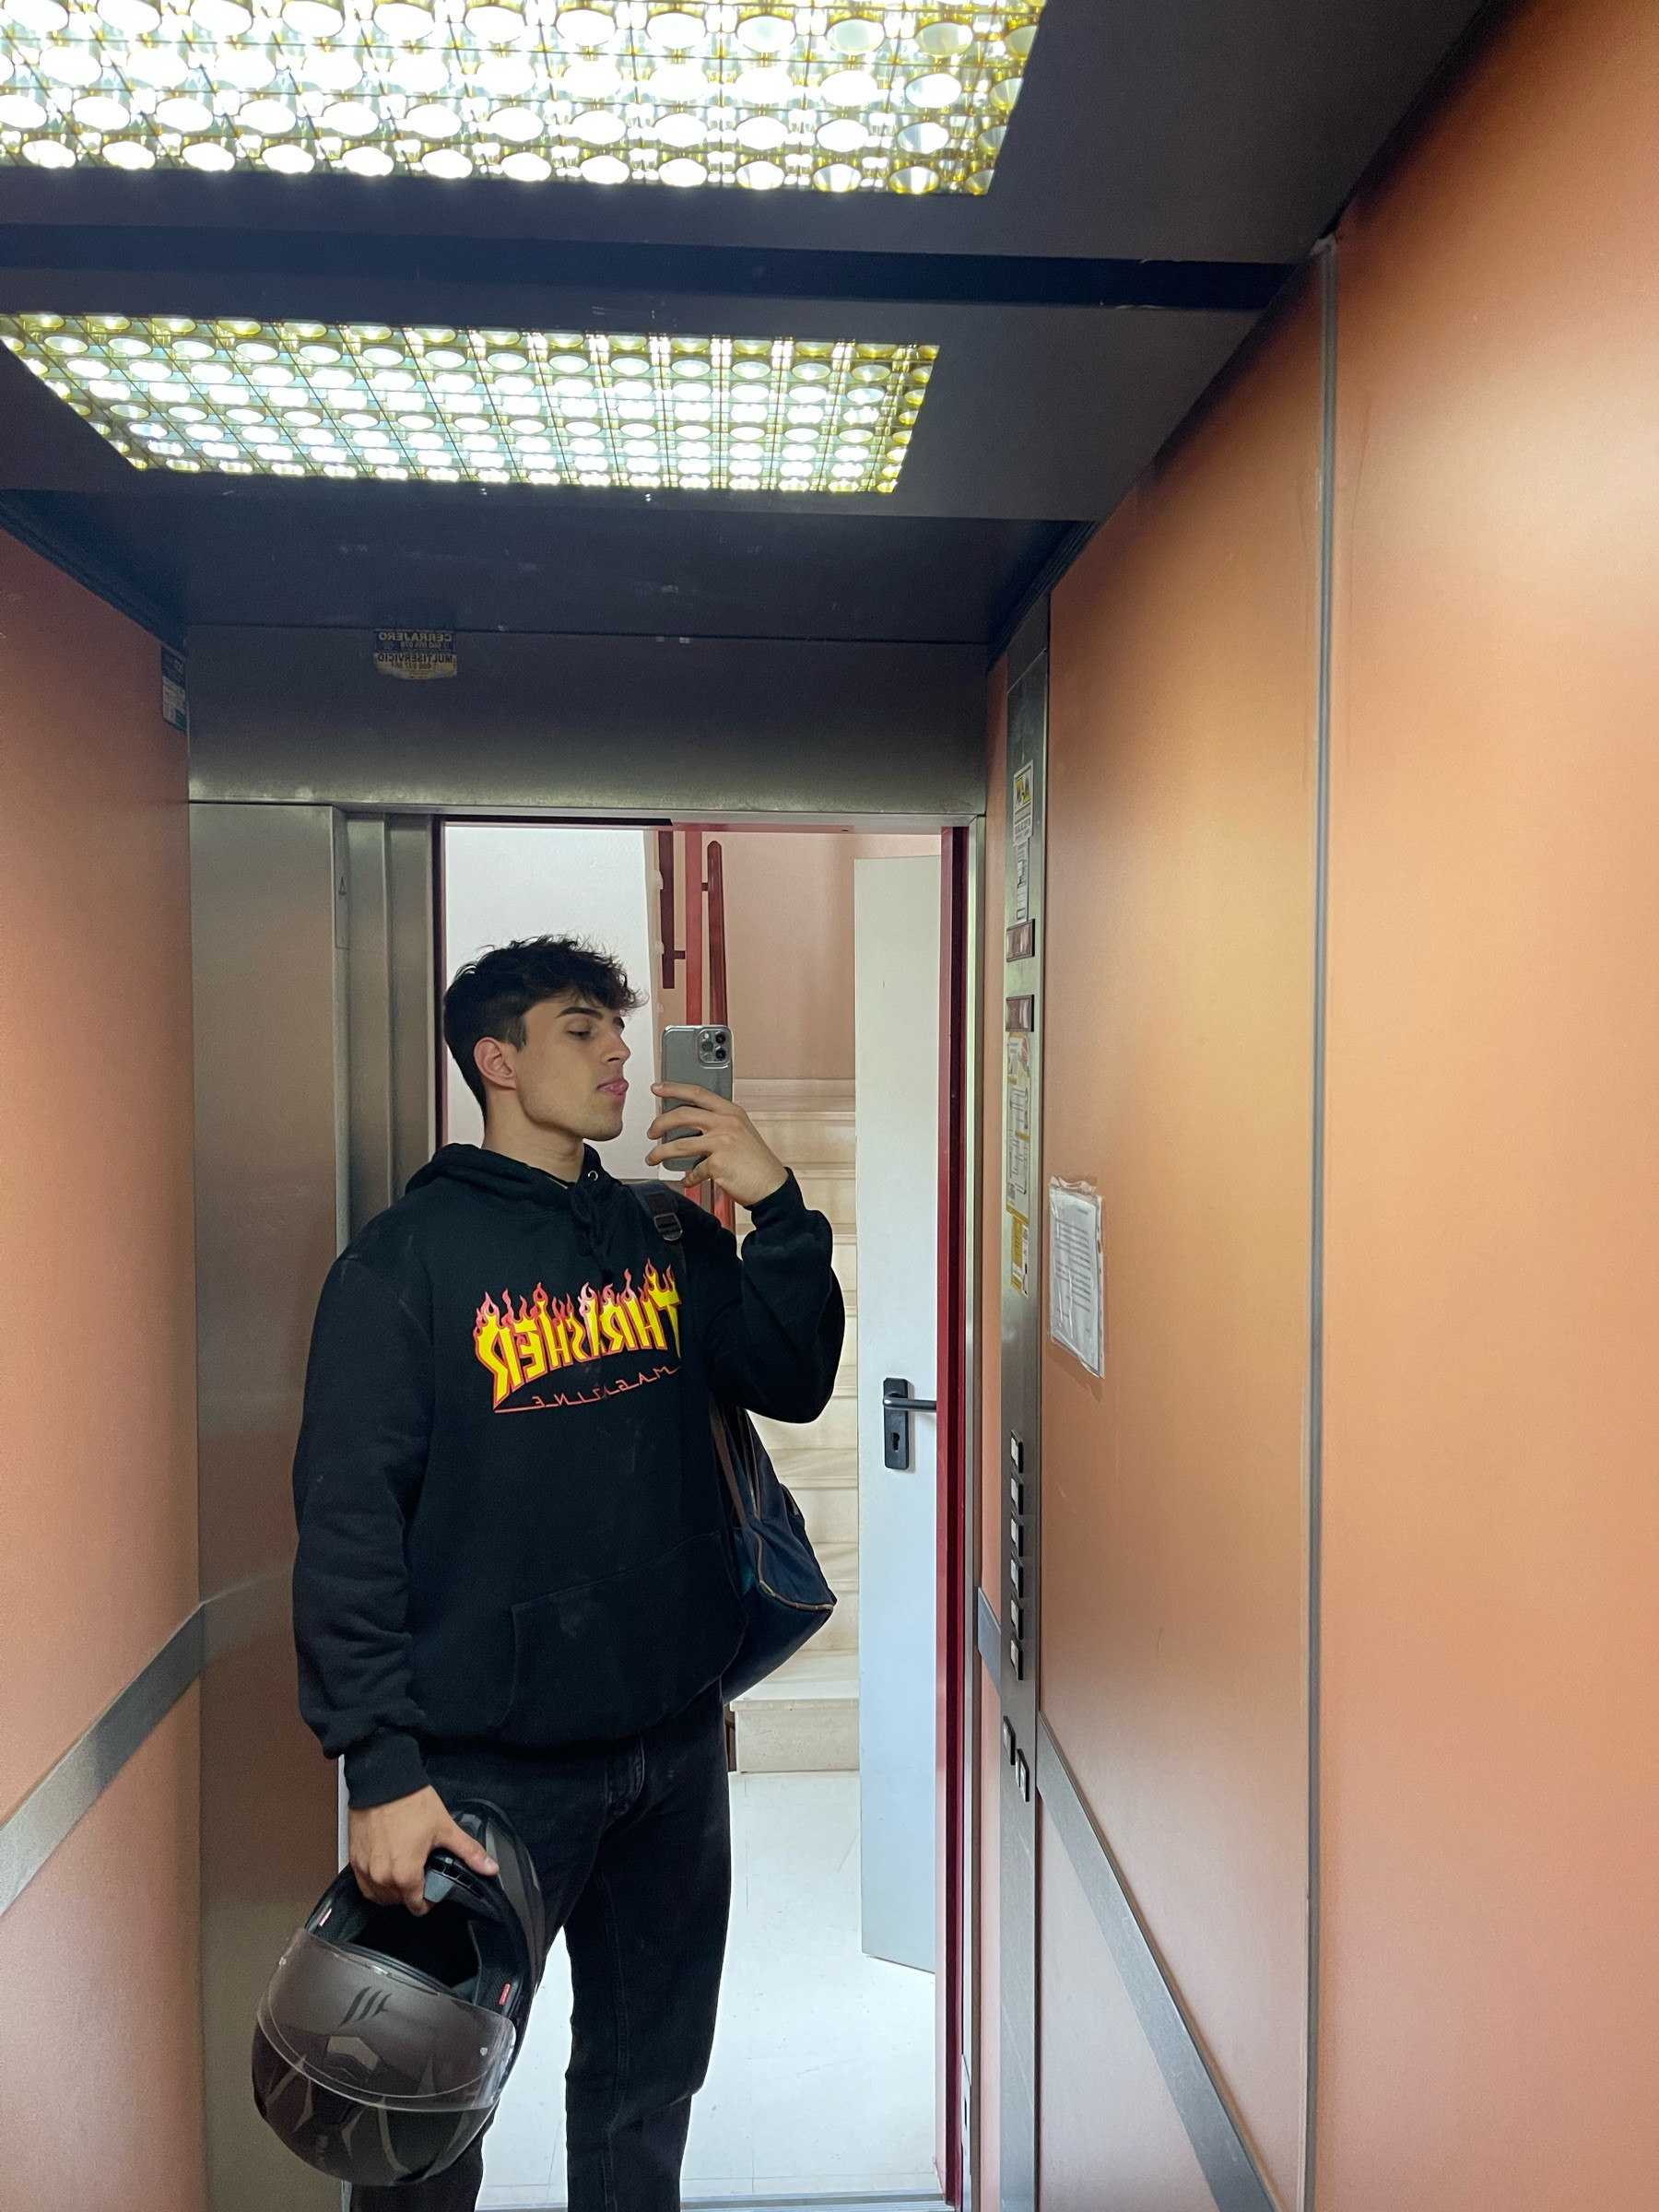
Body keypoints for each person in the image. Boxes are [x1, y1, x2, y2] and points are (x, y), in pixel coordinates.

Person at [291, 935, 844, 2212]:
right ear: (497, 1060)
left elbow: (793, 1376)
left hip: (674, 1745)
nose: (618, 1054)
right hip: (485, 1775)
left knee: (649, 2090)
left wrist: (776, 1206)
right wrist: (379, 1768)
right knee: (424, 2111)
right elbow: (349, 1526)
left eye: (618, 1029)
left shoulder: (662, 1231)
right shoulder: (402, 1266)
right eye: (581, 1029)